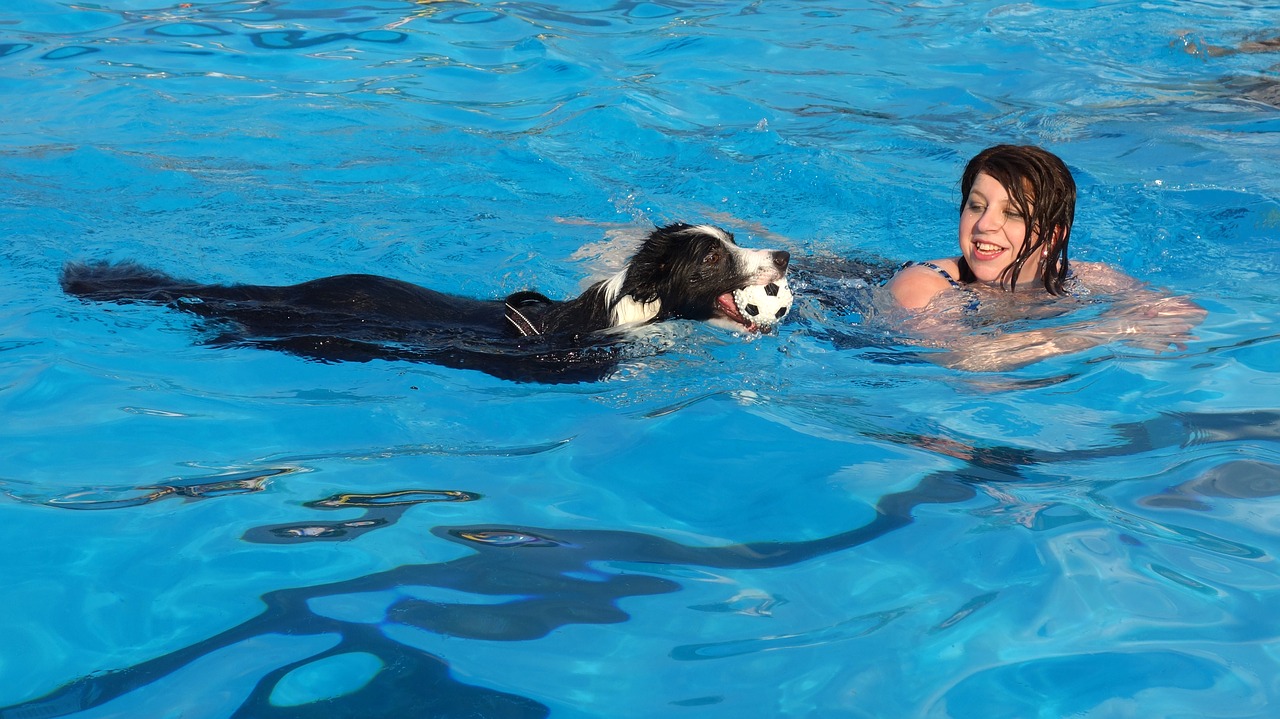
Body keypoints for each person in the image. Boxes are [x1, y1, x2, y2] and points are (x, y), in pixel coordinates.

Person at [883, 144, 1204, 371]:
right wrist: (1112, 331)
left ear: (1053, 236)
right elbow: (969, 360)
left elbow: (1182, 311)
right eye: (976, 206)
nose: (984, 224)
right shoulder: (924, 285)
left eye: (1011, 213)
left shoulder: (1084, 276)